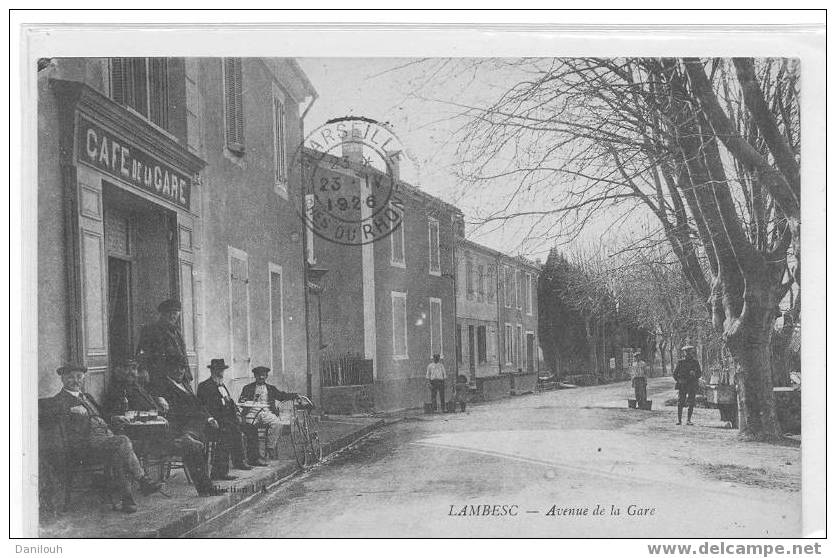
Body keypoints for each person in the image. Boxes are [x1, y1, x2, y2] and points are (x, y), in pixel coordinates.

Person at [44, 364, 162, 513]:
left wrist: (114, 417)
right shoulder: (59, 399)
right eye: (71, 377)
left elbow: (102, 413)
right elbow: (44, 413)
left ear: (83, 379)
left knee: (119, 451)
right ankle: (142, 480)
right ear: (63, 379)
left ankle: (128, 500)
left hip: (105, 436)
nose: (75, 381)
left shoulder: (87, 396)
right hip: (85, 444)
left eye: (79, 377)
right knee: (123, 441)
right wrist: (69, 410)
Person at [150, 360, 219, 496]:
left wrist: (210, 417)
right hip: (177, 427)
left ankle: (189, 437)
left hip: (193, 425)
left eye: (182, 368)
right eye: (175, 368)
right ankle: (206, 487)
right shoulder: (164, 386)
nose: (180, 371)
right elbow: (173, 412)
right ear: (168, 369)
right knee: (193, 446)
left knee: (202, 438)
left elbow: (199, 404)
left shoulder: (185, 384)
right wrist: (159, 399)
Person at [198, 358, 267, 480]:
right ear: (212, 370)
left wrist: (238, 413)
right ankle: (221, 471)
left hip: (229, 420)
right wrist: (210, 418)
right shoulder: (204, 386)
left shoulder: (222, 385)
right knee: (229, 431)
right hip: (215, 422)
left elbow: (231, 402)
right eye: (218, 370)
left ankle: (252, 458)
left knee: (250, 427)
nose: (221, 372)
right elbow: (201, 407)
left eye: (222, 370)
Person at [238, 366, 297, 460]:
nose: (261, 377)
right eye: (259, 375)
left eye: (263, 375)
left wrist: (295, 395)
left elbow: (282, 396)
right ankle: (253, 456)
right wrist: (245, 401)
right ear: (255, 376)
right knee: (249, 427)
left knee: (277, 423)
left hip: (266, 413)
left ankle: (270, 447)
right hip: (251, 412)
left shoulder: (271, 388)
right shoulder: (247, 388)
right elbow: (241, 402)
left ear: (266, 376)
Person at [136, 299, 191, 387]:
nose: (172, 316)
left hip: (179, 376)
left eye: (175, 313)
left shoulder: (177, 332)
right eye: (169, 312)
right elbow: (142, 354)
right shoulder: (150, 330)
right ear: (162, 314)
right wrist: (144, 370)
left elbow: (183, 355)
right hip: (159, 377)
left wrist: (187, 376)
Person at [104, 359, 168, 417]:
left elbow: (146, 399)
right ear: (118, 371)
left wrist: (158, 399)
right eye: (126, 368)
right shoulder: (118, 390)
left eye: (134, 368)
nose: (131, 372)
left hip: (159, 417)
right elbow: (114, 413)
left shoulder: (136, 385)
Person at [673, 345, 702, 425]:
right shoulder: (680, 362)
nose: (688, 354)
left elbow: (699, 374)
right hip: (682, 385)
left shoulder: (695, 362)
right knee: (680, 402)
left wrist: (695, 374)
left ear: (691, 353)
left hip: (691, 384)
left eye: (689, 352)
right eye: (686, 352)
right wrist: (679, 380)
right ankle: (679, 420)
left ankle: (688, 420)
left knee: (691, 402)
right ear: (684, 353)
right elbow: (675, 374)